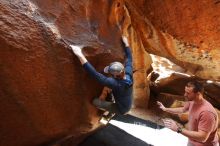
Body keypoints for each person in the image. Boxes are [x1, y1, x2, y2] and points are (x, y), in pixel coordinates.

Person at [70, 35, 133, 116]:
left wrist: (79, 54)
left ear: (115, 75)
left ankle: (108, 111)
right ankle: (110, 99)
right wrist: (126, 43)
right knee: (107, 88)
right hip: (126, 100)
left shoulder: (114, 83)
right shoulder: (128, 73)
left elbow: (94, 74)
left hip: (121, 109)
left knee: (95, 102)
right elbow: (129, 59)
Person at [157, 81, 219, 146]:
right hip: (192, 141)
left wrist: (178, 129)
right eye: (185, 91)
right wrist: (165, 109)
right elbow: (182, 109)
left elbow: (202, 138)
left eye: (188, 93)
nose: (185, 95)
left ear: (198, 94)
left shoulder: (207, 113)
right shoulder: (192, 101)